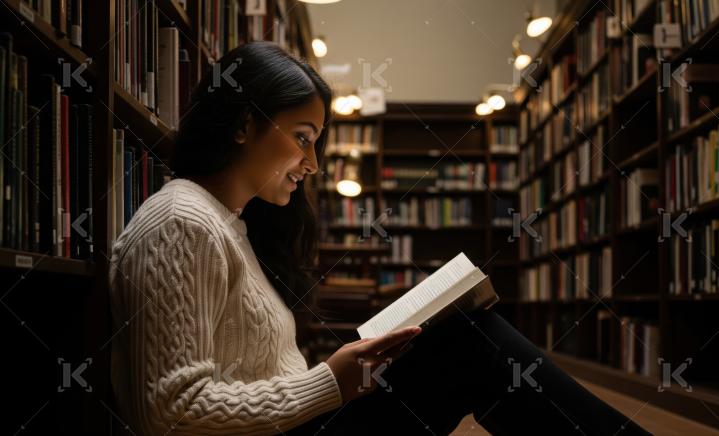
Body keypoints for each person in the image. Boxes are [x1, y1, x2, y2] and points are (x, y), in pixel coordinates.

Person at [108, 41, 650, 435]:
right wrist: (331, 382)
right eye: (303, 139)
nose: (313, 164)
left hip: (301, 425)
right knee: (470, 344)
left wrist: (343, 377)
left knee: (463, 336)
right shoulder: (181, 223)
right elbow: (170, 412)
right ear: (244, 124)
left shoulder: (227, 225)